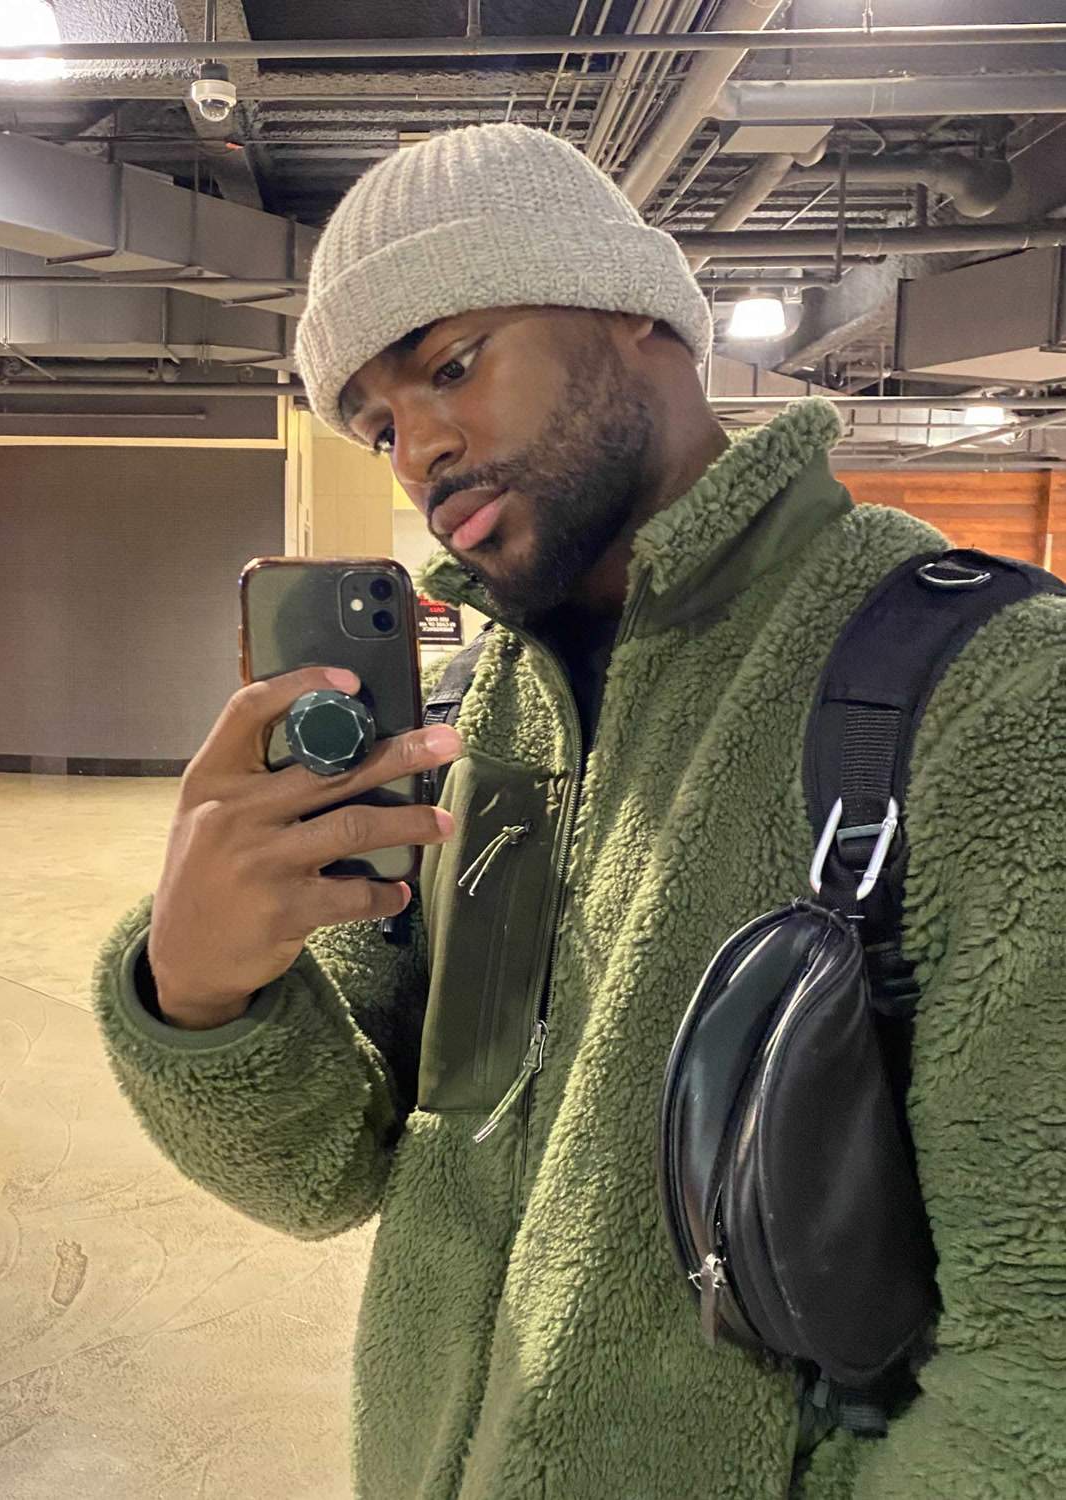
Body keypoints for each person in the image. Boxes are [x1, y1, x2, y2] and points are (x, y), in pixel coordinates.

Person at [93, 124, 1064, 1499]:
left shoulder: (992, 689)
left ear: (633, 311)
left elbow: (1036, 1372)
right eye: (378, 425)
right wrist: (198, 991)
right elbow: (326, 1169)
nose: (420, 449)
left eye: (451, 364)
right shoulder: (474, 720)